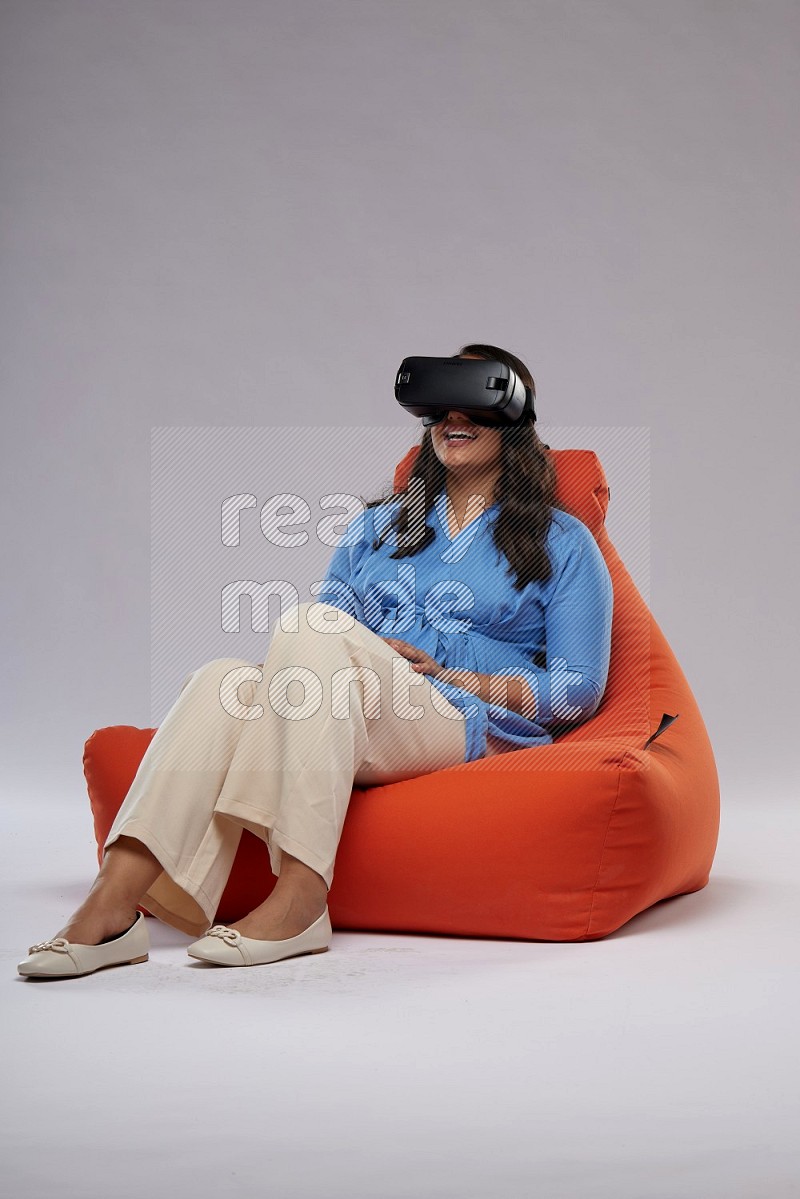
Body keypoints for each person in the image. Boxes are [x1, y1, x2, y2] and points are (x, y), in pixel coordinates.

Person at [17, 343, 613, 979]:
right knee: (222, 679)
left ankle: (301, 899)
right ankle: (113, 907)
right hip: (349, 705)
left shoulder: (563, 543)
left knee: (307, 624)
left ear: (513, 424)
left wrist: (454, 675)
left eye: (470, 404)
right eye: (436, 407)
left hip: (459, 721)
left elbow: (577, 692)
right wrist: (369, 655)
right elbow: (322, 642)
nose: (450, 419)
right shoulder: (378, 529)